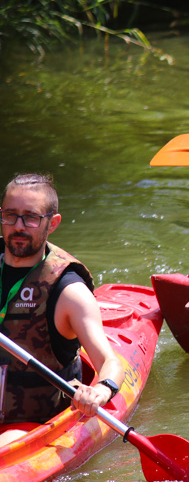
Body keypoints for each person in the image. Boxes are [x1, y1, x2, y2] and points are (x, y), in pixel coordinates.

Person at [0, 174, 123, 445]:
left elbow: (110, 363)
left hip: (29, 424)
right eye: (10, 215)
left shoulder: (69, 292)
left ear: (52, 223)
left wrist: (101, 392)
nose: (18, 226)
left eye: (31, 217)